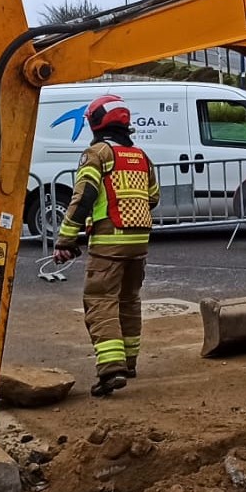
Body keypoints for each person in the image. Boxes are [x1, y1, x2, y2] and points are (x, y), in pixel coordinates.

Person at [54, 94, 159, 396]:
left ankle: (111, 369)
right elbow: (153, 198)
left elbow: (83, 196)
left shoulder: (97, 154)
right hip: (139, 241)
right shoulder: (141, 156)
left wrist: (66, 239)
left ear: (97, 122)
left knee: (100, 300)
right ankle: (129, 361)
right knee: (129, 300)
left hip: (109, 241)